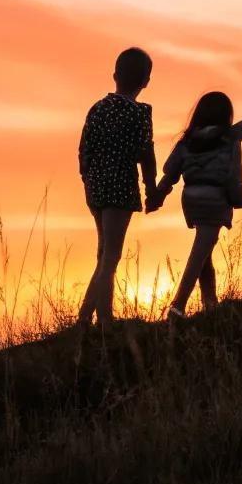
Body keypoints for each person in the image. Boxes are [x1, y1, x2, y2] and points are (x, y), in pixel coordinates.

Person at [149, 90, 242, 317]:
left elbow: (170, 172)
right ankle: (178, 305)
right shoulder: (230, 136)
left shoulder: (187, 141)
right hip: (215, 198)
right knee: (199, 254)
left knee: (205, 253)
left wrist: (158, 195)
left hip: (192, 198)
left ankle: (210, 305)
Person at [78, 46, 157, 325]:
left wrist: (87, 179)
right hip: (120, 187)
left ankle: (105, 318)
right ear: (146, 80)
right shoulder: (139, 114)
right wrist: (151, 187)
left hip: (96, 186)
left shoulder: (97, 109)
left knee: (104, 253)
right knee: (111, 256)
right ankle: (85, 317)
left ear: (115, 75)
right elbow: (146, 154)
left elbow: (83, 149)